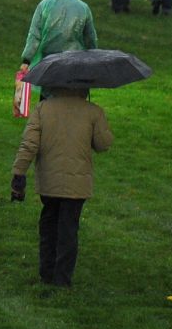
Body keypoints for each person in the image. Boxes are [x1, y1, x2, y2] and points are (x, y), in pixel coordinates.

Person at [10, 83, 114, 287]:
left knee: (49, 224)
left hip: (49, 181)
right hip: (78, 183)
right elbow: (104, 144)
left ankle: (46, 273)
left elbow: (29, 144)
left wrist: (18, 173)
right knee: (68, 228)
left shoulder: (43, 109)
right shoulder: (93, 111)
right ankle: (62, 279)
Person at [19, 0, 97, 78]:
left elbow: (34, 35)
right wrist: (93, 55)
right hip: (75, 59)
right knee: (73, 90)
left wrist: (26, 60)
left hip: (48, 59)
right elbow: (90, 36)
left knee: (50, 90)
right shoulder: (83, 8)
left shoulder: (44, 5)